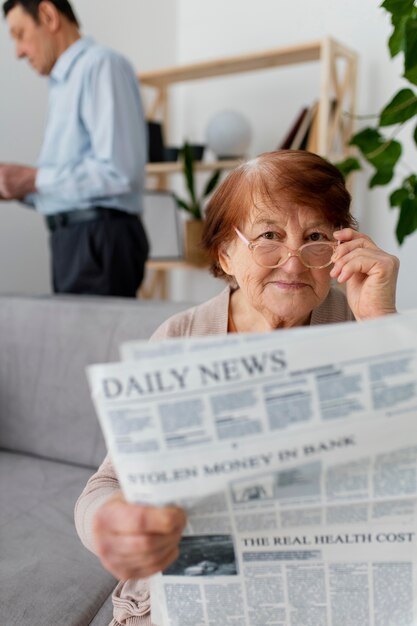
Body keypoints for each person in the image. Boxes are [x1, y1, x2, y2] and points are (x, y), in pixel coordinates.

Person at [75, 150, 399, 625]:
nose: (293, 263)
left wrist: (381, 326)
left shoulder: (363, 321)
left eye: (315, 238)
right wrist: (112, 522)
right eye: (269, 236)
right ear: (226, 252)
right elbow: (107, 484)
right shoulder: (181, 337)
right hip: (204, 582)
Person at [0, 0, 149, 296]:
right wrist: (19, 187)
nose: (17, 52)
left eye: (19, 34)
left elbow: (119, 172)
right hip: (75, 241)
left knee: (94, 342)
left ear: (48, 16)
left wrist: (33, 179)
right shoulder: (63, 84)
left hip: (97, 241)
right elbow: (74, 181)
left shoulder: (100, 65)